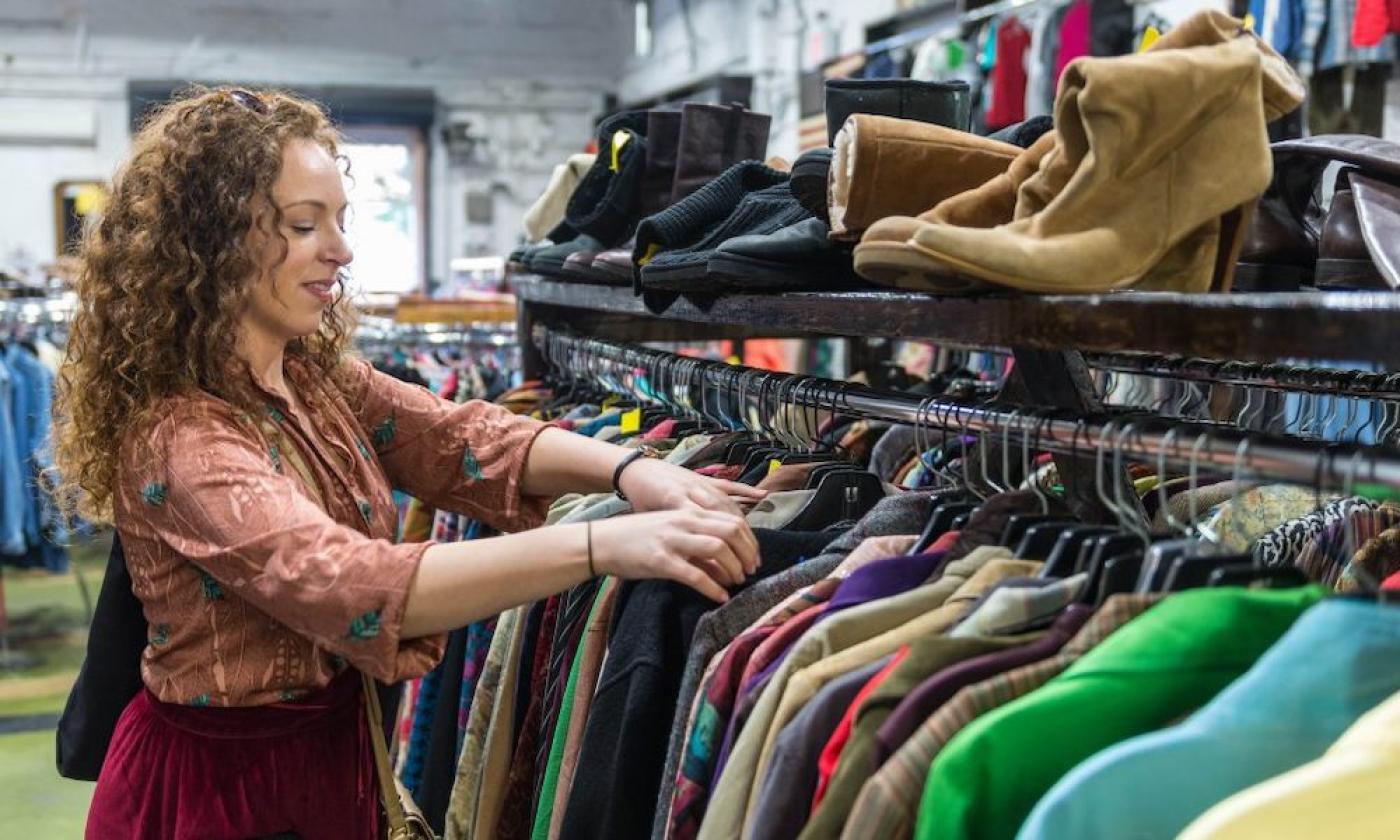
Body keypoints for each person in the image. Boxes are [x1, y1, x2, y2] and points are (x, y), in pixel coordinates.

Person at [52, 86, 766, 839]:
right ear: (212, 243)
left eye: (339, 219)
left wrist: (630, 471)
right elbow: (349, 582)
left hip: (330, 756)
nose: (341, 249)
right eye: (304, 225)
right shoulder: (182, 435)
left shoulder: (308, 375)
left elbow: (458, 435)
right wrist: (599, 543)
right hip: (215, 794)